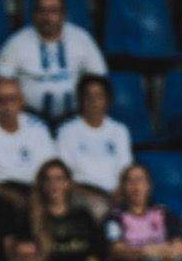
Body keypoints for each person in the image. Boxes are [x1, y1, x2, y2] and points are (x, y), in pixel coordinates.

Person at [0, 0, 106, 124]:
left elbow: (99, 80)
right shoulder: (16, 43)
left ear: (63, 14)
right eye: (42, 11)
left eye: (53, 11)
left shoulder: (82, 39)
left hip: (76, 119)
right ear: (34, 14)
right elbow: (0, 81)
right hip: (29, 121)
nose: (47, 17)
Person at [104, 162, 182, 261]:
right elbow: (117, 250)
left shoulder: (163, 212)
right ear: (123, 187)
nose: (136, 186)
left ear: (149, 185)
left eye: (140, 180)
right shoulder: (115, 217)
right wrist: (147, 252)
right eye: (130, 181)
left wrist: (154, 251)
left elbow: (180, 247)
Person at [0, 77, 56, 206]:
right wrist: (8, 195)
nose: (6, 105)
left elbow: (50, 169)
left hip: (35, 190)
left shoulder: (37, 127)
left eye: (12, 99)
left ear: (21, 101)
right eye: (0, 100)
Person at [56, 73, 132, 217]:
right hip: (82, 193)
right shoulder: (66, 131)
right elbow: (64, 176)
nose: (93, 101)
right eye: (88, 96)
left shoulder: (119, 131)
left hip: (116, 195)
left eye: (99, 96)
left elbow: (125, 170)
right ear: (80, 100)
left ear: (107, 100)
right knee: (98, 208)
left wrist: (120, 192)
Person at [25, 158, 101, 261]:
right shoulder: (31, 220)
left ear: (68, 183)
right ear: (41, 184)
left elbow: (94, 252)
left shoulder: (82, 215)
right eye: (48, 180)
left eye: (59, 179)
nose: (54, 185)